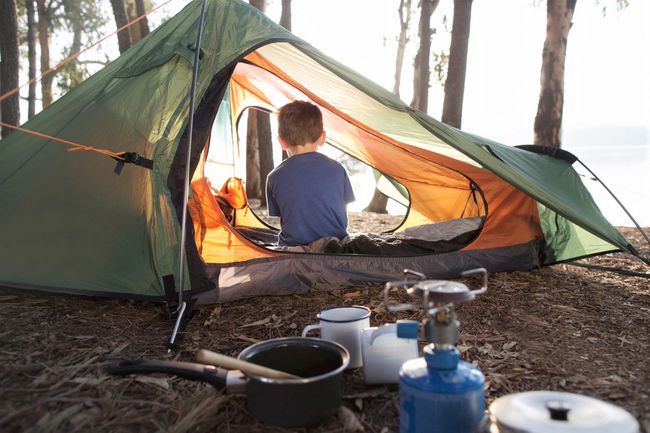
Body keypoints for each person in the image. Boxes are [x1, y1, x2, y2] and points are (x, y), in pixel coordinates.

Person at [266, 100, 355, 246]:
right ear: (322, 137)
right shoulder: (338, 169)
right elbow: (342, 213)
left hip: (293, 250)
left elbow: (286, 216)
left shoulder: (274, 177)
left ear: (281, 142)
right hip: (335, 247)